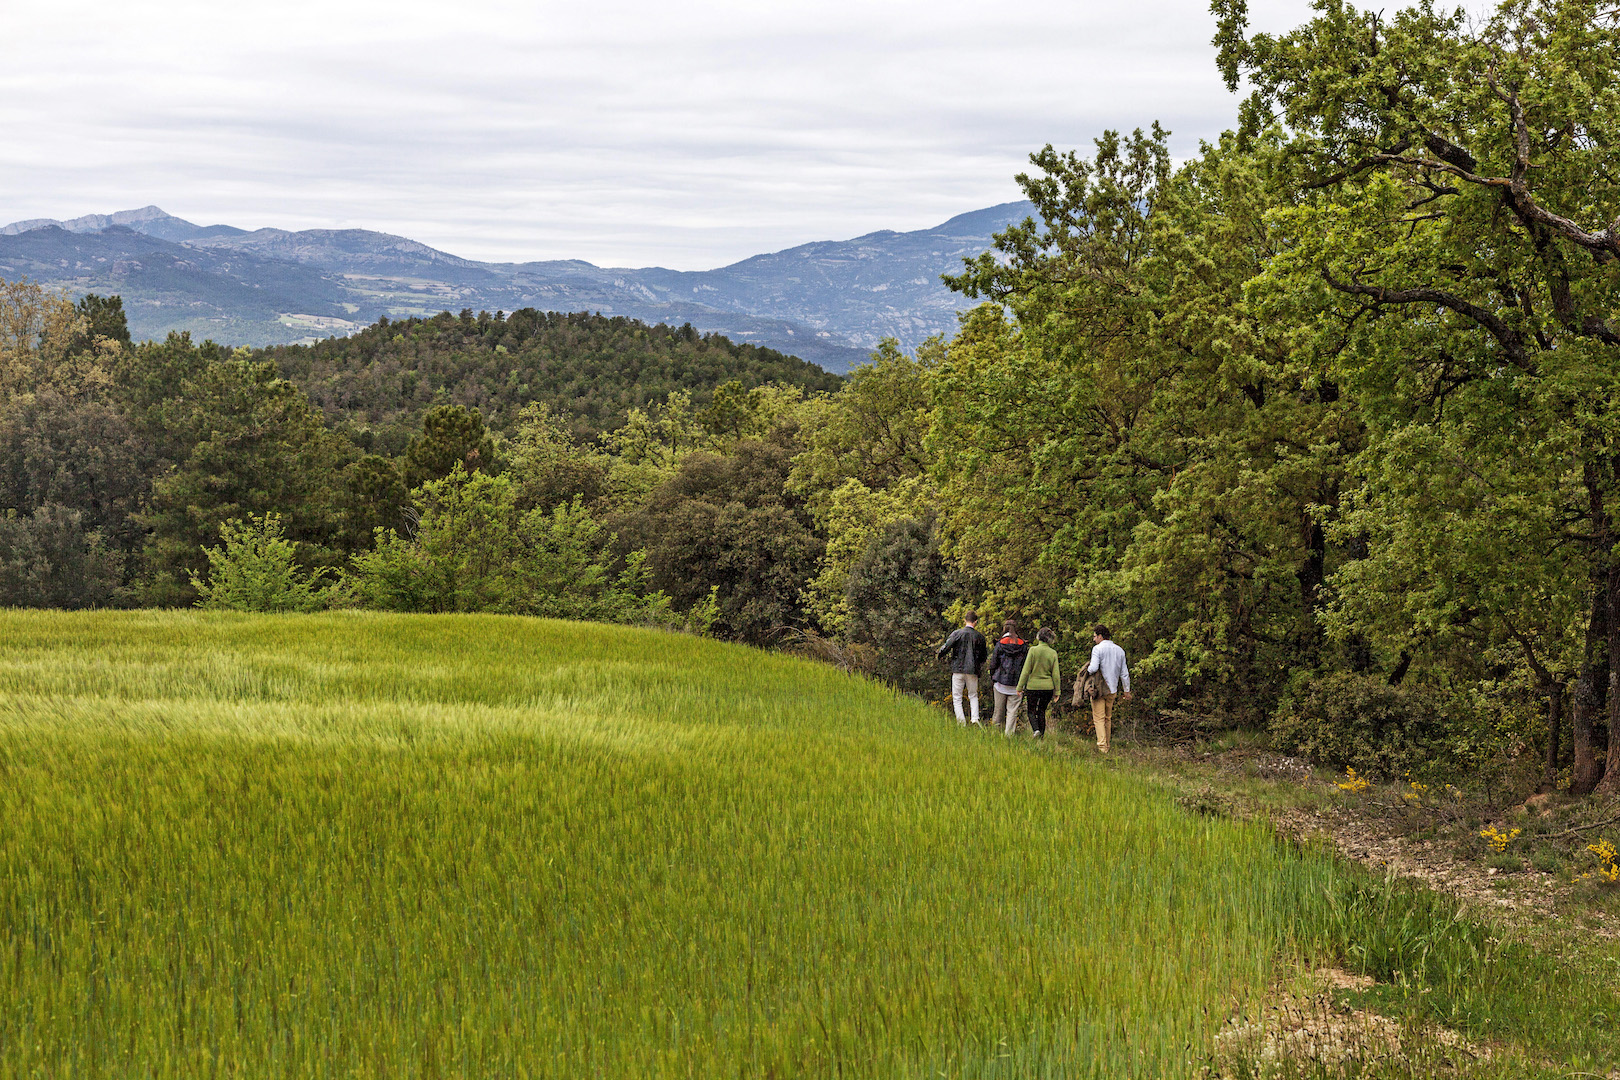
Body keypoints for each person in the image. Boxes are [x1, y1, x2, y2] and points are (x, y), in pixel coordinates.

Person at [936, 610, 988, 725]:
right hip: (973, 670)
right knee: (973, 695)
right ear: (976, 622)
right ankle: (975, 719)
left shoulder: (957, 633)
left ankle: (961, 722)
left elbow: (947, 646)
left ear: (965, 620)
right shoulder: (980, 637)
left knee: (957, 697)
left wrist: (940, 655)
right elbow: (984, 656)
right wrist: (979, 665)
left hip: (958, 669)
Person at [1085, 624, 1131, 753]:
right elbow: (1124, 673)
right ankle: (1107, 745)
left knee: (1098, 718)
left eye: (1095, 636)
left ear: (1100, 636)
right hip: (1112, 690)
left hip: (1099, 689)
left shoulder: (1097, 649)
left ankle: (1102, 747)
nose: (1094, 639)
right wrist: (1126, 690)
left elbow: (1093, 668)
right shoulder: (1120, 650)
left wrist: (1086, 671)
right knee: (1107, 718)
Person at [985, 619, 1029, 736]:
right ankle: (1008, 736)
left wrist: (993, 677)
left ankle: (995, 734)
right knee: (1012, 712)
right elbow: (1026, 666)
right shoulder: (1023, 646)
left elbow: (993, 663)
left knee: (998, 712)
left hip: (1000, 683)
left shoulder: (1000, 644)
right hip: (1016, 684)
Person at [1016, 627, 1061, 738]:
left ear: (1038, 637)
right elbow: (1056, 674)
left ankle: (1036, 730)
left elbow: (1026, 670)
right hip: (1048, 688)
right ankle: (1041, 737)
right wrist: (1057, 691)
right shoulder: (1053, 653)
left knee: (1031, 710)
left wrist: (1020, 686)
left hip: (1033, 687)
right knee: (1041, 711)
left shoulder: (1033, 650)